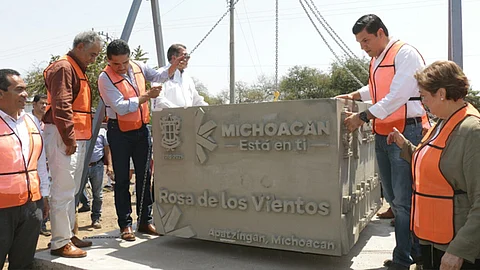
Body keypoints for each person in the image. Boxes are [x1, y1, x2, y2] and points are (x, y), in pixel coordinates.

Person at [335, 14, 428, 270]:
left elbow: (397, 95)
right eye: (359, 42)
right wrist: (353, 95)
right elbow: (374, 90)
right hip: (383, 132)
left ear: (380, 33)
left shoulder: (404, 53)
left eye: (366, 40)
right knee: (394, 198)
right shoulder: (377, 60)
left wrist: (362, 116)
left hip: (405, 133)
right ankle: (414, 252)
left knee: (402, 201)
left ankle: (403, 258)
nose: (363, 46)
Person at [388, 60, 480, 270]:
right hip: (433, 241)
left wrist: (459, 250)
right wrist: (406, 146)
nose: (423, 103)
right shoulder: (443, 122)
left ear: (441, 93)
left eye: (424, 97)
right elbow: (437, 167)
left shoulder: (472, 131)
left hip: (456, 249)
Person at [98, 39, 170, 241]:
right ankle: (125, 225)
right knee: (121, 180)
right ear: (108, 61)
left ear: (130, 58)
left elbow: (158, 75)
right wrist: (146, 96)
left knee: (145, 176)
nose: (121, 67)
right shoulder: (104, 78)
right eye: (115, 64)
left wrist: (173, 66)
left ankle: (145, 221)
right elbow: (121, 107)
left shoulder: (139, 66)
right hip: (118, 131)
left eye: (124, 63)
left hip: (141, 129)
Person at [43, 31, 103, 258]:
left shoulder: (76, 68)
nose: (93, 59)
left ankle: (66, 234)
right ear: (79, 47)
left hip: (74, 137)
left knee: (72, 190)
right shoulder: (64, 67)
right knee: (63, 190)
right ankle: (60, 242)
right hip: (64, 136)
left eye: (97, 56)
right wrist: (69, 138)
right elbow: (61, 104)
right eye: (92, 54)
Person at [0, 69, 49, 269]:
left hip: (31, 206)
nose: (26, 94)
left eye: (25, 89)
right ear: (1, 94)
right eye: (19, 90)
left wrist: (44, 195)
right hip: (2, 209)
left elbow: (40, 162)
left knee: (23, 263)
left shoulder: (31, 121)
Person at [151, 43, 208, 110]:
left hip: (188, 119)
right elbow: (159, 101)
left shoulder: (187, 78)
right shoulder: (159, 74)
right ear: (174, 58)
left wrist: (211, 110)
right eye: (185, 56)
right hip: (167, 119)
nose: (188, 59)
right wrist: (181, 112)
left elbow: (196, 100)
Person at [78, 126, 112, 229]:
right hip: (82, 166)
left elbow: (107, 149)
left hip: (97, 165)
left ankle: (96, 218)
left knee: (98, 194)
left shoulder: (101, 131)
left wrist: (109, 165)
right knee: (77, 191)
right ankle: (82, 208)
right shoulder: (80, 129)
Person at [28, 94, 52, 237]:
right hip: (32, 169)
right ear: (34, 104)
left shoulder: (46, 123)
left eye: (46, 104)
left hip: (45, 167)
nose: (44, 106)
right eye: (41, 103)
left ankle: (42, 225)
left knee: (44, 197)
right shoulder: (27, 121)